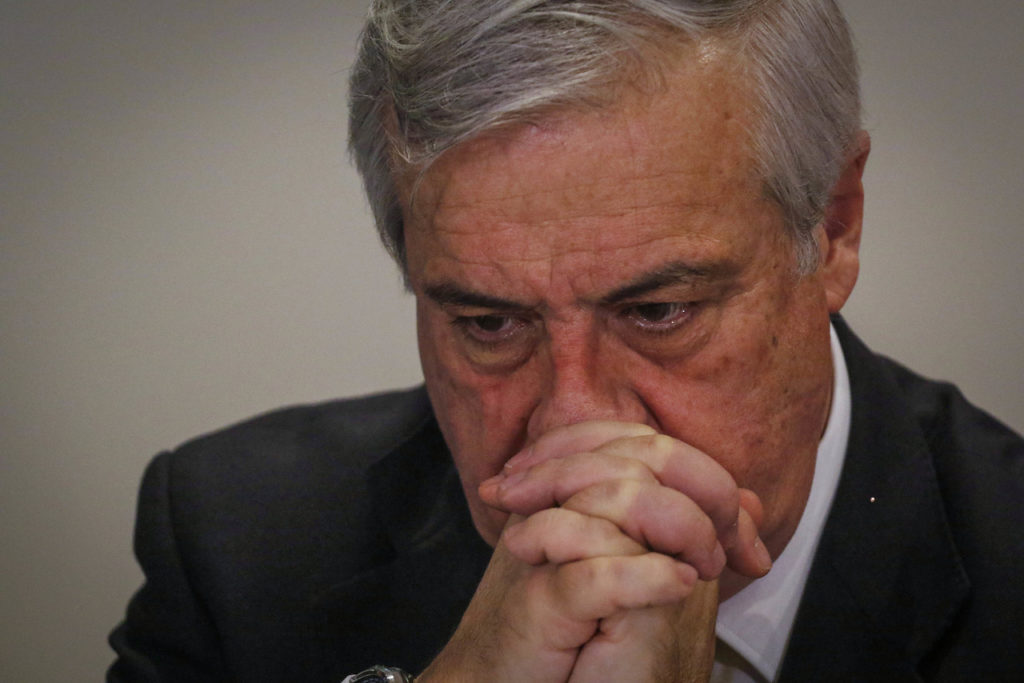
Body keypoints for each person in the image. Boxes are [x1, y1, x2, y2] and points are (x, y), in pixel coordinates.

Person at [108, 1, 1024, 681]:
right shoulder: (235, 544)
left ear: (834, 226)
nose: (574, 422)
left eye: (659, 312)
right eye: (489, 325)